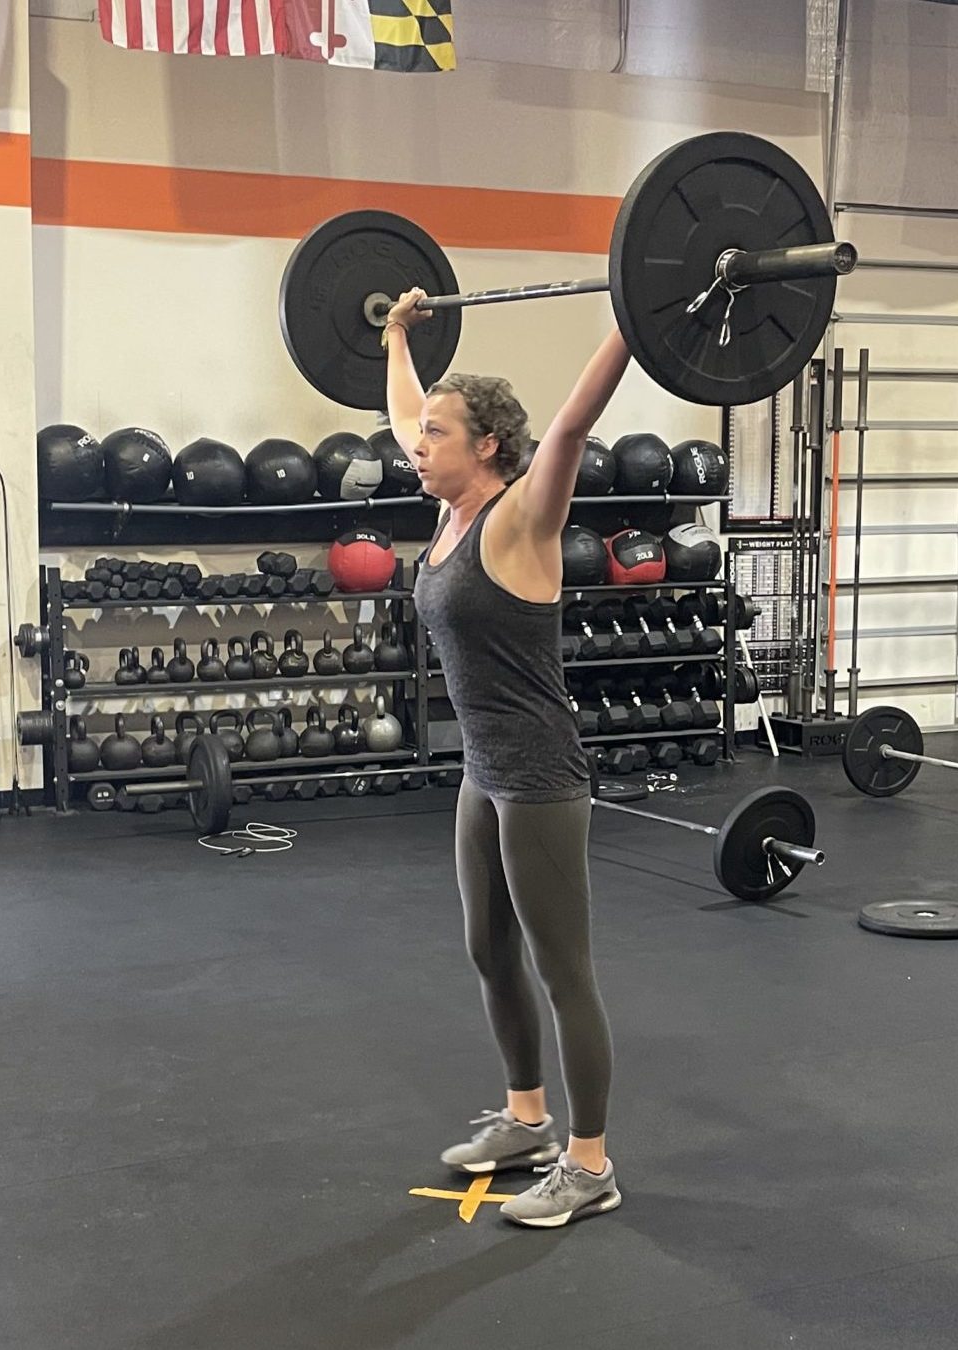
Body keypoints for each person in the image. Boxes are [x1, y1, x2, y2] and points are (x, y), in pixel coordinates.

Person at [389, 288, 630, 1228]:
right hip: (482, 774)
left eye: (438, 435)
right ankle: (526, 1119)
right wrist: (395, 333)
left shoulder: (522, 518)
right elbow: (403, 407)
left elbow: (573, 419)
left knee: (563, 969)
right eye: (422, 434)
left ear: (486, 446)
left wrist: (640, 319)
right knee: (488, 950)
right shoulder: (446, 512)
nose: (418, 444)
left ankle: (590, 1162)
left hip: (538, 777)